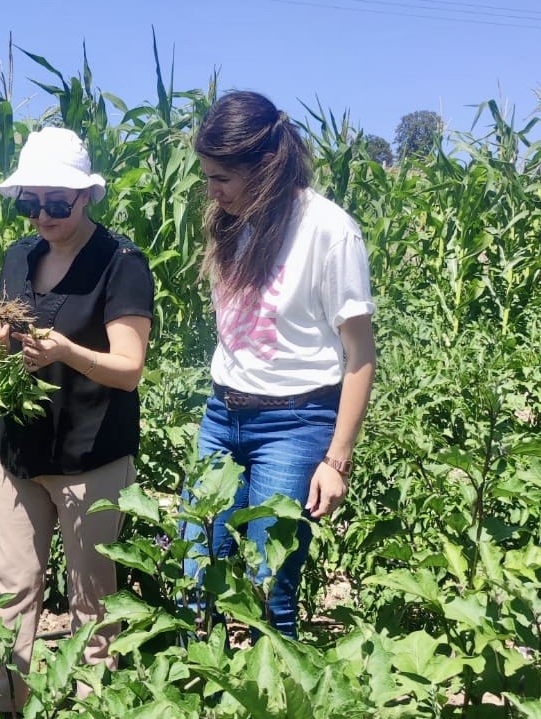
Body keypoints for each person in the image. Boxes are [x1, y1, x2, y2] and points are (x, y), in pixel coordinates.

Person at [181, 90, 376, 640]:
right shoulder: (232, 222)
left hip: (295, 423)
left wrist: (336, 461)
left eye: (220, 177)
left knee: (269, 586)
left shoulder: (328, 231)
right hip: (222, 417)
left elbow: (360, 355)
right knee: (196, 575)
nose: (211, 190)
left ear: (265, 167)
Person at [0, 127, 154, 712]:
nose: (41, 216)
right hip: (19, 454)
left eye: (56, 203)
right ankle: (9, 703)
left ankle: (94, 704)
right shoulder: (18, 256)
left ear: (87, 196)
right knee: (14, 593)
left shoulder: (121, 264)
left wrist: (65, 352)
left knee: (92, 604)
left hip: (90, 458)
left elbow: (129, 369)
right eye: (29, 203)